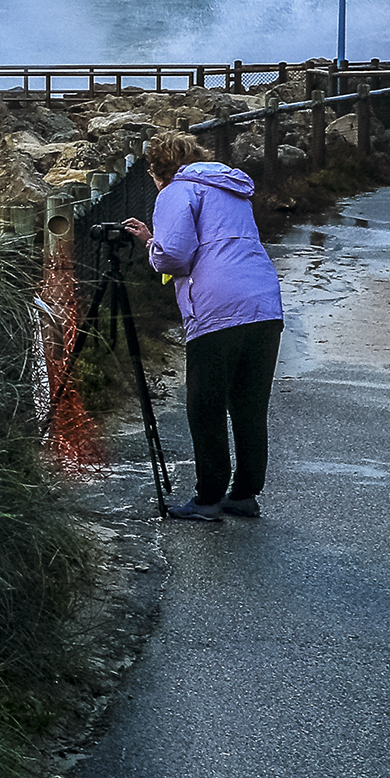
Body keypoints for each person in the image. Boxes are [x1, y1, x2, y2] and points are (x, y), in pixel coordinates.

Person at [118, 130, 284, 522]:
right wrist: (152, 239)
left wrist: (153, 251)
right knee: (249, 404)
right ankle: (244, 493)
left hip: (217, 307)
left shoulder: (176, 191)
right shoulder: (230, 187)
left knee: (205, 406)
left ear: (158, 170)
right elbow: (216, 242)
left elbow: (175, 256)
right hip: (263, 300)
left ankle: (208, 498)